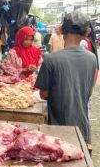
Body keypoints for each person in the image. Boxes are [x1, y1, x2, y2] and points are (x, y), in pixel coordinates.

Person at [35, 11, 97, 145]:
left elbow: (44, 94)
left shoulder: (51, 59)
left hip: (58, 130)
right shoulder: (92, 59)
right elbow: (89, 91)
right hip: (82, 128)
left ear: (62, 30)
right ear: (86, 33)